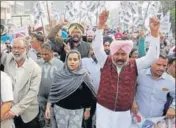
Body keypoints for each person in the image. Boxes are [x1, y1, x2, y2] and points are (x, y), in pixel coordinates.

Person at [92, 10, 160, 128]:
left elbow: (153, 56)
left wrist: (154, 34)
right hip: (104, 109)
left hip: (124, 112)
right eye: (117, 54)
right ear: (112, 54)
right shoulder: (105, 61)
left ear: (128, 54)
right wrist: (100, 26)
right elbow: (97, 47)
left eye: (123, 54)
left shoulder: (135, 65)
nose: (119, 57)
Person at [48, 50, 96, 128]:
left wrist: (87, 110)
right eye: (70, 59)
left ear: (79, 61)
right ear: (66, 60)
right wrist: (49, 107)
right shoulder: (60, 74)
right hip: (60, 109)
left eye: (75, 59)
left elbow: (89, 94)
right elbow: (53, 92)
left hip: (77, 111)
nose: (72, 62)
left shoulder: (84, 75)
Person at [1, 37, 42, 128]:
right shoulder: (8, 59)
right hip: (9, 111)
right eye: (14, 47)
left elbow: (32, 93)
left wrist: (16, 110)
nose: (16, 50)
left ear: (27, 49)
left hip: (28, 114)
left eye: (20, 48)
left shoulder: (35, 69)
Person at [131, 53, 175, 118]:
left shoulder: (171, 81)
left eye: (164, 65)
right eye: (158, 64)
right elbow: (127, 88)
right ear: (151, 63)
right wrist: (132, 101)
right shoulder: (140, 74)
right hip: (136, 119)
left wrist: (173, 107)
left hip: (156, 120)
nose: (161, 68)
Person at [38, 43, 64, 128]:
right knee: (41, 117)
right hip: (40, 96)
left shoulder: (60, 64)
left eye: (46, 54)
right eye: (42, 54)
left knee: (52, 117)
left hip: (54, 96)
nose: (43, 56)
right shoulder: (38, 63)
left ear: (52, 52)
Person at [82, 45, 100, 128]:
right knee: (87, 118)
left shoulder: (106, 62)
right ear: (89, 51)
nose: (95, 52)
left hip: (102, 97)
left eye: (97, 49)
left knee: (99, 119)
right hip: (88, 97)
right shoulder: (84, 61)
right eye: (93, 49)